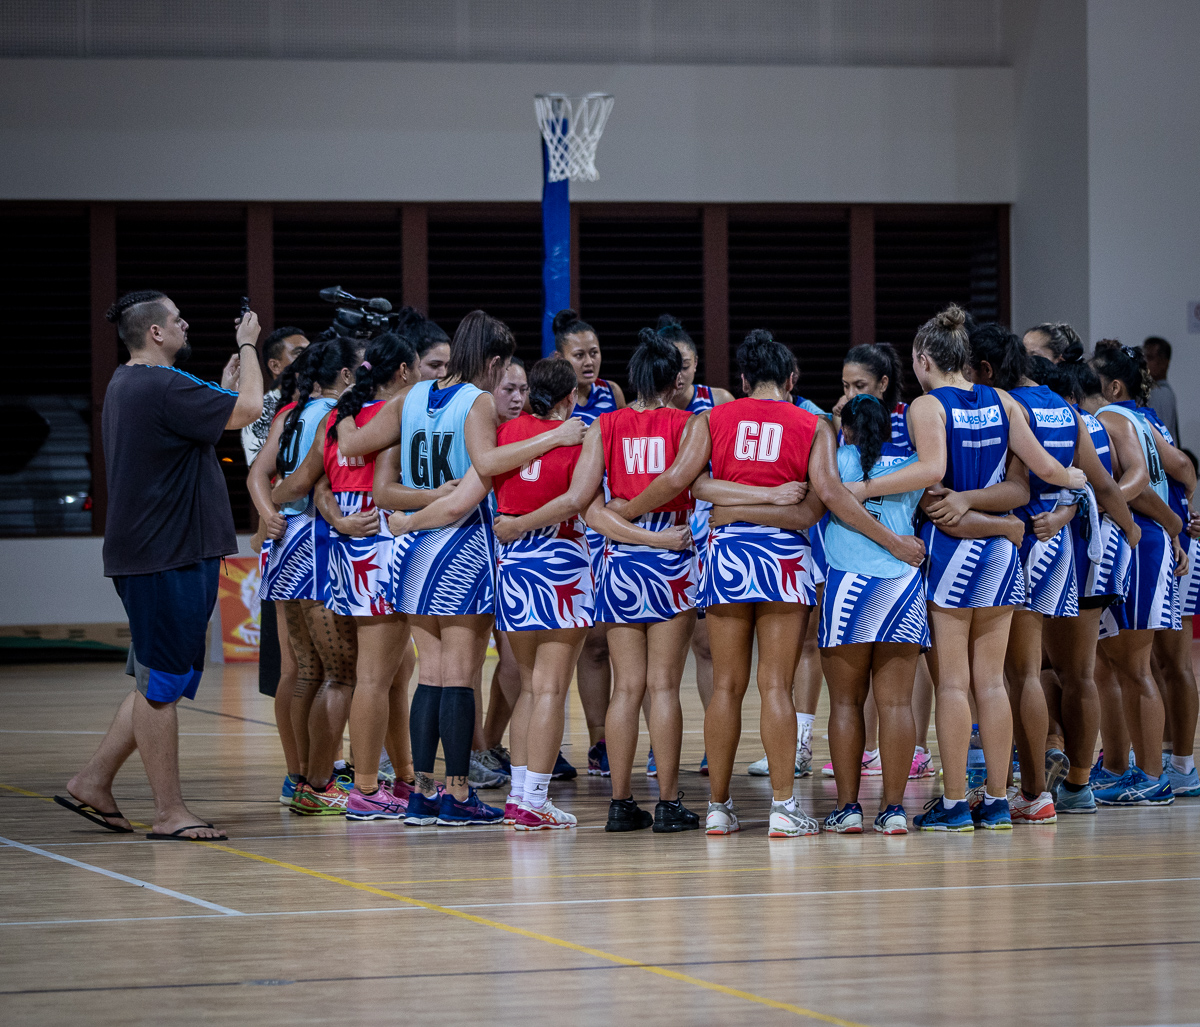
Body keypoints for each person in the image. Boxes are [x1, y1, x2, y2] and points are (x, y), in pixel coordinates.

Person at [338, 310, 585, 826]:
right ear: (492, 362)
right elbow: (488, 466)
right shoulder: (474, 401)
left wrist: (345, 405)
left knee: (430, 674)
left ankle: (423, 793)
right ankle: (456, 793)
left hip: (412, 549)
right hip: (460, 544)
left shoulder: (411, 395)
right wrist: (554, 438)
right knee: (461, 675)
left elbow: (352, 446)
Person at [56, 290, 262, 841]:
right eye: (177, 319)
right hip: (164, 556)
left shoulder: (135, 384)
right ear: (154, 333)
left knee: (158, 679)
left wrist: (217, 387)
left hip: (163, 553)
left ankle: (93, 780)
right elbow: (248, 412)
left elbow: (205, 417)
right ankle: (170, 812)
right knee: (162, 686)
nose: (185, 323)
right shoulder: (160, 384)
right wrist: (249, 344)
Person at [872, 306, 1085, 832]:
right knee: (993, 681)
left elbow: (932, 472)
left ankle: (951, 803)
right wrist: (1076, 479)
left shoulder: (927, 405)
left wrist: (859, 490)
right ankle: (995, 800)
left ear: (923, 359)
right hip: (1002, 553)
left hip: (951, 547)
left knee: (953, 685)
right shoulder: (1004, 401)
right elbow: (1041, 474)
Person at [271, 330, 422, 820]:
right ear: (401, 371)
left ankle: (402, 779)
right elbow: (385, 488)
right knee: (373, 679)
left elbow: (307, 484)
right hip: (382, 541)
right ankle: (364, 786)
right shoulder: (397, 413)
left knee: (379, 676)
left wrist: (282, 505)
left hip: (342, 549)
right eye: (420, 366)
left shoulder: (334, 416)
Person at [253, 336, 364, 816]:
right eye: (357, 370)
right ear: (343, 376)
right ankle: (321, 782)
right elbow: (305, 483)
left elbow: (259, 474)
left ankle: (300, 780)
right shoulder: (331, 417)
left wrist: (268, 510)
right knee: (341, 673)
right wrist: (282, 499)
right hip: (316, 547)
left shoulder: (288, 413)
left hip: (282, 550)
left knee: (306, 672)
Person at [1027, 351, 1139, 814]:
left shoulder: (1042, 420)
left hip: (1062, 554)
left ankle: (1052, 767)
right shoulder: (1095, 423)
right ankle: (1078, 779)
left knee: (1036, 671)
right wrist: (1133, 529)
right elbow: (1118, 484)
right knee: (1077, 673)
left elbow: (1094, 487)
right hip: (1099, 554)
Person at [819, 394, 929, 834]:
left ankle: (848, 809)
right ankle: (894, 810)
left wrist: (833, 421)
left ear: (846, 429)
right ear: (890, 429)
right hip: (901, 585)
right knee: (897, 704)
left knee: (846, 702)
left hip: (848, 585)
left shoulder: (836, 461)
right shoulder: (911, 466)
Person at [1090, 339, 1184, 806]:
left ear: (1112, 384)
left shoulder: (1111, 418)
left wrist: (1169, 522)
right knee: (1116, 666)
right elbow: (1177, 468)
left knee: (1135, 666)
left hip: (1139, 543)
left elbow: (1137, 481)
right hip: (1140, 540)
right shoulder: (1133, 418)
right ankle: (1124, 767)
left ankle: (1152, 776)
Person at [553, 308, 627, 777]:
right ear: (560, 357)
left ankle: (602, 743)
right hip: (561, 524)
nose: (589, 361)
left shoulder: (611, 394)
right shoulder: (550, 399)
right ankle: (549, 747)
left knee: (600, 642)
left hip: (604, 525)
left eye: (594, 352)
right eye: (579, 354)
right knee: (561, 648)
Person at [661, 314, 735, 776]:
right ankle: (660, 746)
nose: (680, 372)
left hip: (707, 528)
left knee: (708, 647)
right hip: (662, 528)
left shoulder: (719, 401)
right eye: (673, 365)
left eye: (686, 363)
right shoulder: (648, 408)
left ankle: (714, 744)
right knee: (660, 655)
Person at [241, 326, 309, 465]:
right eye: (299, 353)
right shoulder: (260, 410)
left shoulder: (319, 401)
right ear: (275, 366)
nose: (310, 358)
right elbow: (259, 470)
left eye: (310, 352)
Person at [1143, 336, 1179, 445]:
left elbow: (1159, 436)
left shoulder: (1160, 393)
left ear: (1164, 363)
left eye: (1150, 358)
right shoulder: (1158, 391)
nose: (1144, 362)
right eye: (1143, 357)